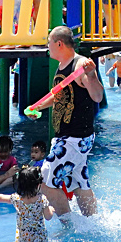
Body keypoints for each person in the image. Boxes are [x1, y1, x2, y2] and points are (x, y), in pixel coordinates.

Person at [29, 25, 104, 218]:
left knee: (43, 181)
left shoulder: (79, 66)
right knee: (78, 182)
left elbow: (96, 96)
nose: (47, 46)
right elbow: (60, 95)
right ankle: (92, 223)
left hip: (74, 139)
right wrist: (39, 107)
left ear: (59, 43)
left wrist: (92, 75)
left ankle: (69, 226)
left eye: (49, 42)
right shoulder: (63, 66)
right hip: (72, 138)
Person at [0, 165, 55, 242]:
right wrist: (51, 209)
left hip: (24, 238)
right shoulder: (42, 200)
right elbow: (48, 217)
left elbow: (1, 197)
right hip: (39, 238)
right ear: (38, 184)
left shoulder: (17, 199)